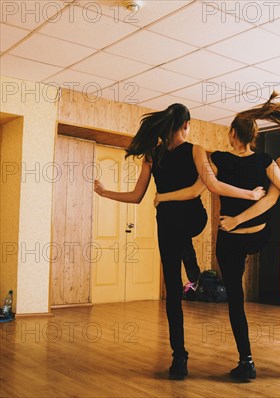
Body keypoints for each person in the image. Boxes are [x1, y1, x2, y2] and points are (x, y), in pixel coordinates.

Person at [154, 93, 280, 380]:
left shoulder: (219, 160)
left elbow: (199, 189)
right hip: (260, 236)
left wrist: (163, 196)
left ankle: (246, 361)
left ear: (232, 134)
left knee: (236, 299)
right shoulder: (266, 160)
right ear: (252, 137)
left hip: (231, 237)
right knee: (266, 243)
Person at [93, 103, 265, 380]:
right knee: (182, 249)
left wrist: (105, 193)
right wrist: (250, 195)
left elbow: (137, 196)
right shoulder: (195, 150)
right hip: (193, 218)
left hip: (169, 223)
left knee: (173, 291)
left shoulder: (152, 155)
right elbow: (213, 186)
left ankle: (179, 359)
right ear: (186, 125)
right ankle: (190, 261)